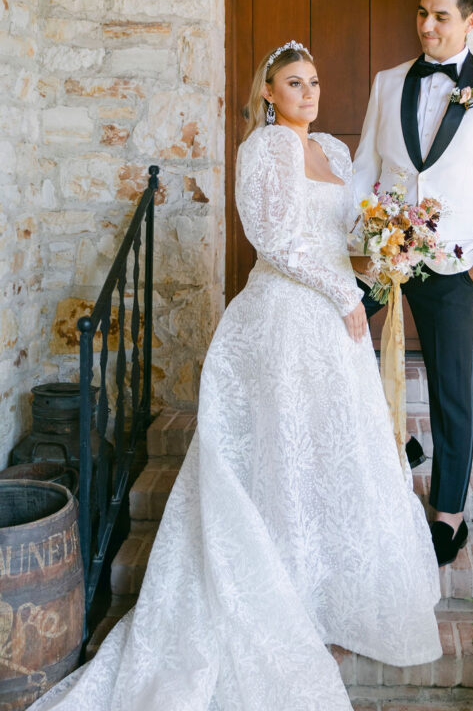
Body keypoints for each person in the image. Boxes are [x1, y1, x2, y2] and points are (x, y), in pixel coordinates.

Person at [30, 43, 441, 711]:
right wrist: (342, 300)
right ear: (268, 92)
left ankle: (330, 585)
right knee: (281, 447)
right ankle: (274, 584)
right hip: (283, 320)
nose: (308, 92)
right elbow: (276, 242)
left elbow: (339, 238)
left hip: (339, 324)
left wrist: (381, 262)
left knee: (333, 447)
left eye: (313, 80)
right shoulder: (265, 149)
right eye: (292, 83)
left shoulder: (335, 154)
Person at [352, 0, 473, 569]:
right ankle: (392, 442)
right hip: (385, 255)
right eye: (422, 14)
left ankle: (449, 514)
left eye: (441, 17)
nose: (427, 26)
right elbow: (364, 168)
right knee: (336, 334)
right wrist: (357, 243)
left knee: (452, 390)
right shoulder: (387, 83)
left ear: (470, 21)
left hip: (458, 266)